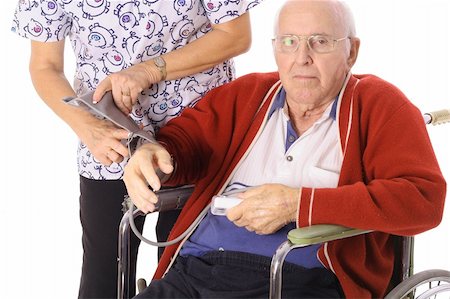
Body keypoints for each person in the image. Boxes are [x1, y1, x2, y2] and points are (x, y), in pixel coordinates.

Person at [122, 0, 447, 298]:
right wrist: (152, 154)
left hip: (299, 279)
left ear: (351, 52)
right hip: (196, 272)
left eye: (320, 42)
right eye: (289, 42)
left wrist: (298, 204)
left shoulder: (379, 105)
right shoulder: (246, 95)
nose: (302, 57)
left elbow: (422, 199)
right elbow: (182, 144)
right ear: (275, 49)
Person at [11, 0, 264, 298]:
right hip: (109, 140)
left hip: (201, 137)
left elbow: (236, 34)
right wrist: (86, 127)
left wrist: (149, 71)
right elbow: (45, 66)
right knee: (104, 273)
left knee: (191, 271)